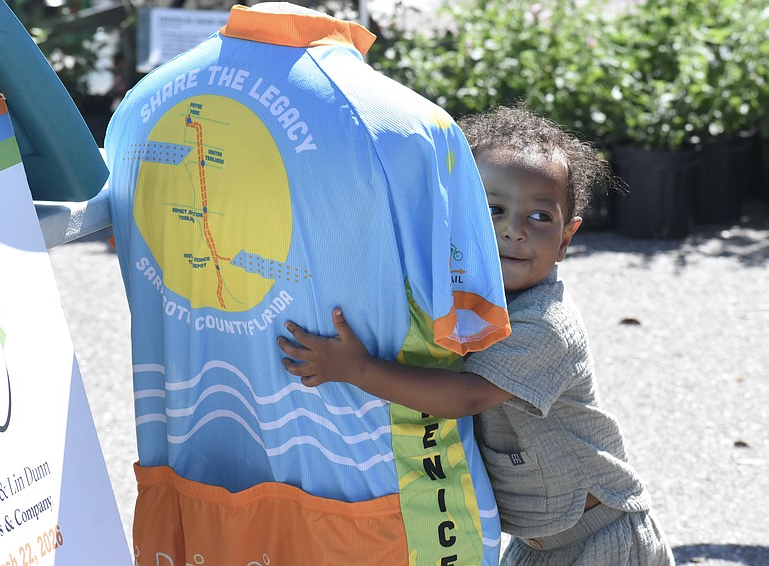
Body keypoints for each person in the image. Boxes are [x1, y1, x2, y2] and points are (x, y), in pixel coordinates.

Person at [105, 3, 511, 564]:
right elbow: (470, 323)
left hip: (195, 492)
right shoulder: (411, 127)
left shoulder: (137, 108)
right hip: (378, 512)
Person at [278, 105, 675, 565]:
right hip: (536, 543)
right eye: (493, 210)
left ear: (566, 239)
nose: (514, 231)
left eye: (540, 217)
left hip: (602, 538)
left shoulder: (546, 324)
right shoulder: (463, 301)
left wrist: (358, 369)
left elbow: (466, 395)